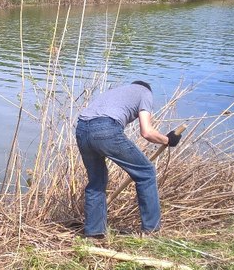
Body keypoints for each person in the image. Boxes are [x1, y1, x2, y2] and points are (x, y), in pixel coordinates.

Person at [74, 80, 181, 239]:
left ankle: (94, 233)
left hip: (81, 129)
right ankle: (151, 230)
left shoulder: (118, 91)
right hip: (106, 128)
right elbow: (147, 132)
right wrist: (168, 140)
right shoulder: (145, 93)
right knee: (146, 172)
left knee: (96, 181)